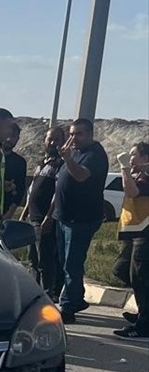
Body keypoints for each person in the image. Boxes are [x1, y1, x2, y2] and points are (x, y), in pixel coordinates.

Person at [49, 118, 109, 324]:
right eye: (72, 134)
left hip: (81, 219)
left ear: (90, 134)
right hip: (63, 216)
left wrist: (67, 159)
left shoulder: (95, 154)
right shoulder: (72, 152)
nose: (74, 138)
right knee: (64, 261)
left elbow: (81, 176)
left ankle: (68, 307)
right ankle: (76, 298)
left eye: (79, 134)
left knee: (72, 264)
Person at [111, 142, 149, 339]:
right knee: (121, 269)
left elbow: (132, 192)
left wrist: (125, 167)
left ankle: (144, 325)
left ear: (145, 158)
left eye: (133, 155)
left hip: (145, 233)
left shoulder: (147, 176)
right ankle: (144, 312)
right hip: (134, 232)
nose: (130, 157)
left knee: (141, 278)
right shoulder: (138, 174)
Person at [22, 125, 65, 298]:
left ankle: (48, 294)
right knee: (32, 259)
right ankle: (34, 293)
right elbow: (31, 191)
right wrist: (24, 214)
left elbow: (57, 193)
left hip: (44, 220)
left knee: (44, 260)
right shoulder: (42, 164)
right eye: (50, 139)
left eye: (57, 139)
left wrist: (49, 216)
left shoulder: (60, 164)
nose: (53, 143)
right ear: (44, 141)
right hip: (32, 219)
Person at [2, 122, 28, 218]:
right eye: (7, 135)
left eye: (13, 136)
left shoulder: (19, 162)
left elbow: (20, 190)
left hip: (4, 212)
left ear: (17, 139)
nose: (9, 139)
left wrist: (10, 213)